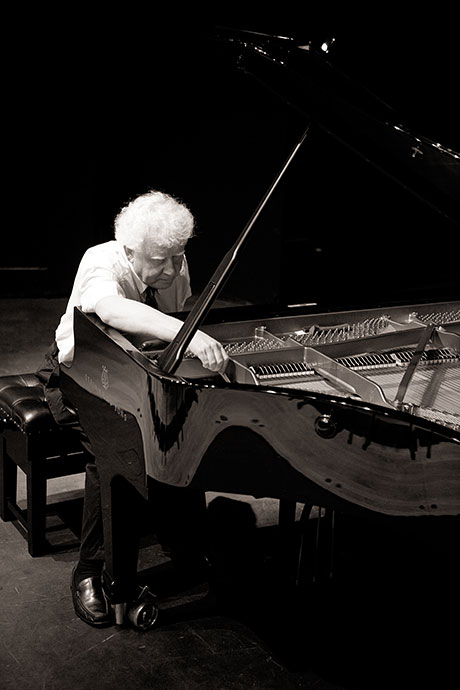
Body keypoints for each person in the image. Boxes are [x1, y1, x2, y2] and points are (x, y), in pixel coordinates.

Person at [37, 190, 228, 627]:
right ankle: (90, 571)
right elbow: (111, 308)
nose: (173, 268)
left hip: (139, 374)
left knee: (183, 423)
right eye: (161, 259)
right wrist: (189, 334)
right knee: (112, 448)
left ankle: (182, 541)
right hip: (76, 375)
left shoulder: (172, 265)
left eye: (179, 257)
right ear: (129, 250)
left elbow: (172, 320)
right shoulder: (101, 260)